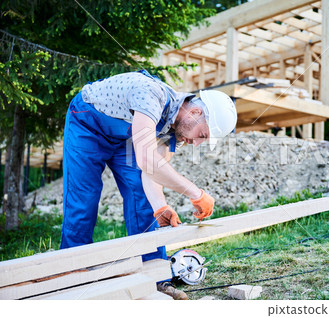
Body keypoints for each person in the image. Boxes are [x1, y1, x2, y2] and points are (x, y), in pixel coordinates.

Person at [60, 69, 237, 299]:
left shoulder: (177, 131)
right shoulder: (151, 94)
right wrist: (196, 193)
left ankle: (156, 279)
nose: (196, 143)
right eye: (202, 135)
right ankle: (74, 280)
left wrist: (160, 206)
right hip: (86, 123)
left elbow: (150, 172)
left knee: (143, 200)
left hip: (123, 137)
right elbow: (146, 158)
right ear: (194, 112)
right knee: (84, 200)